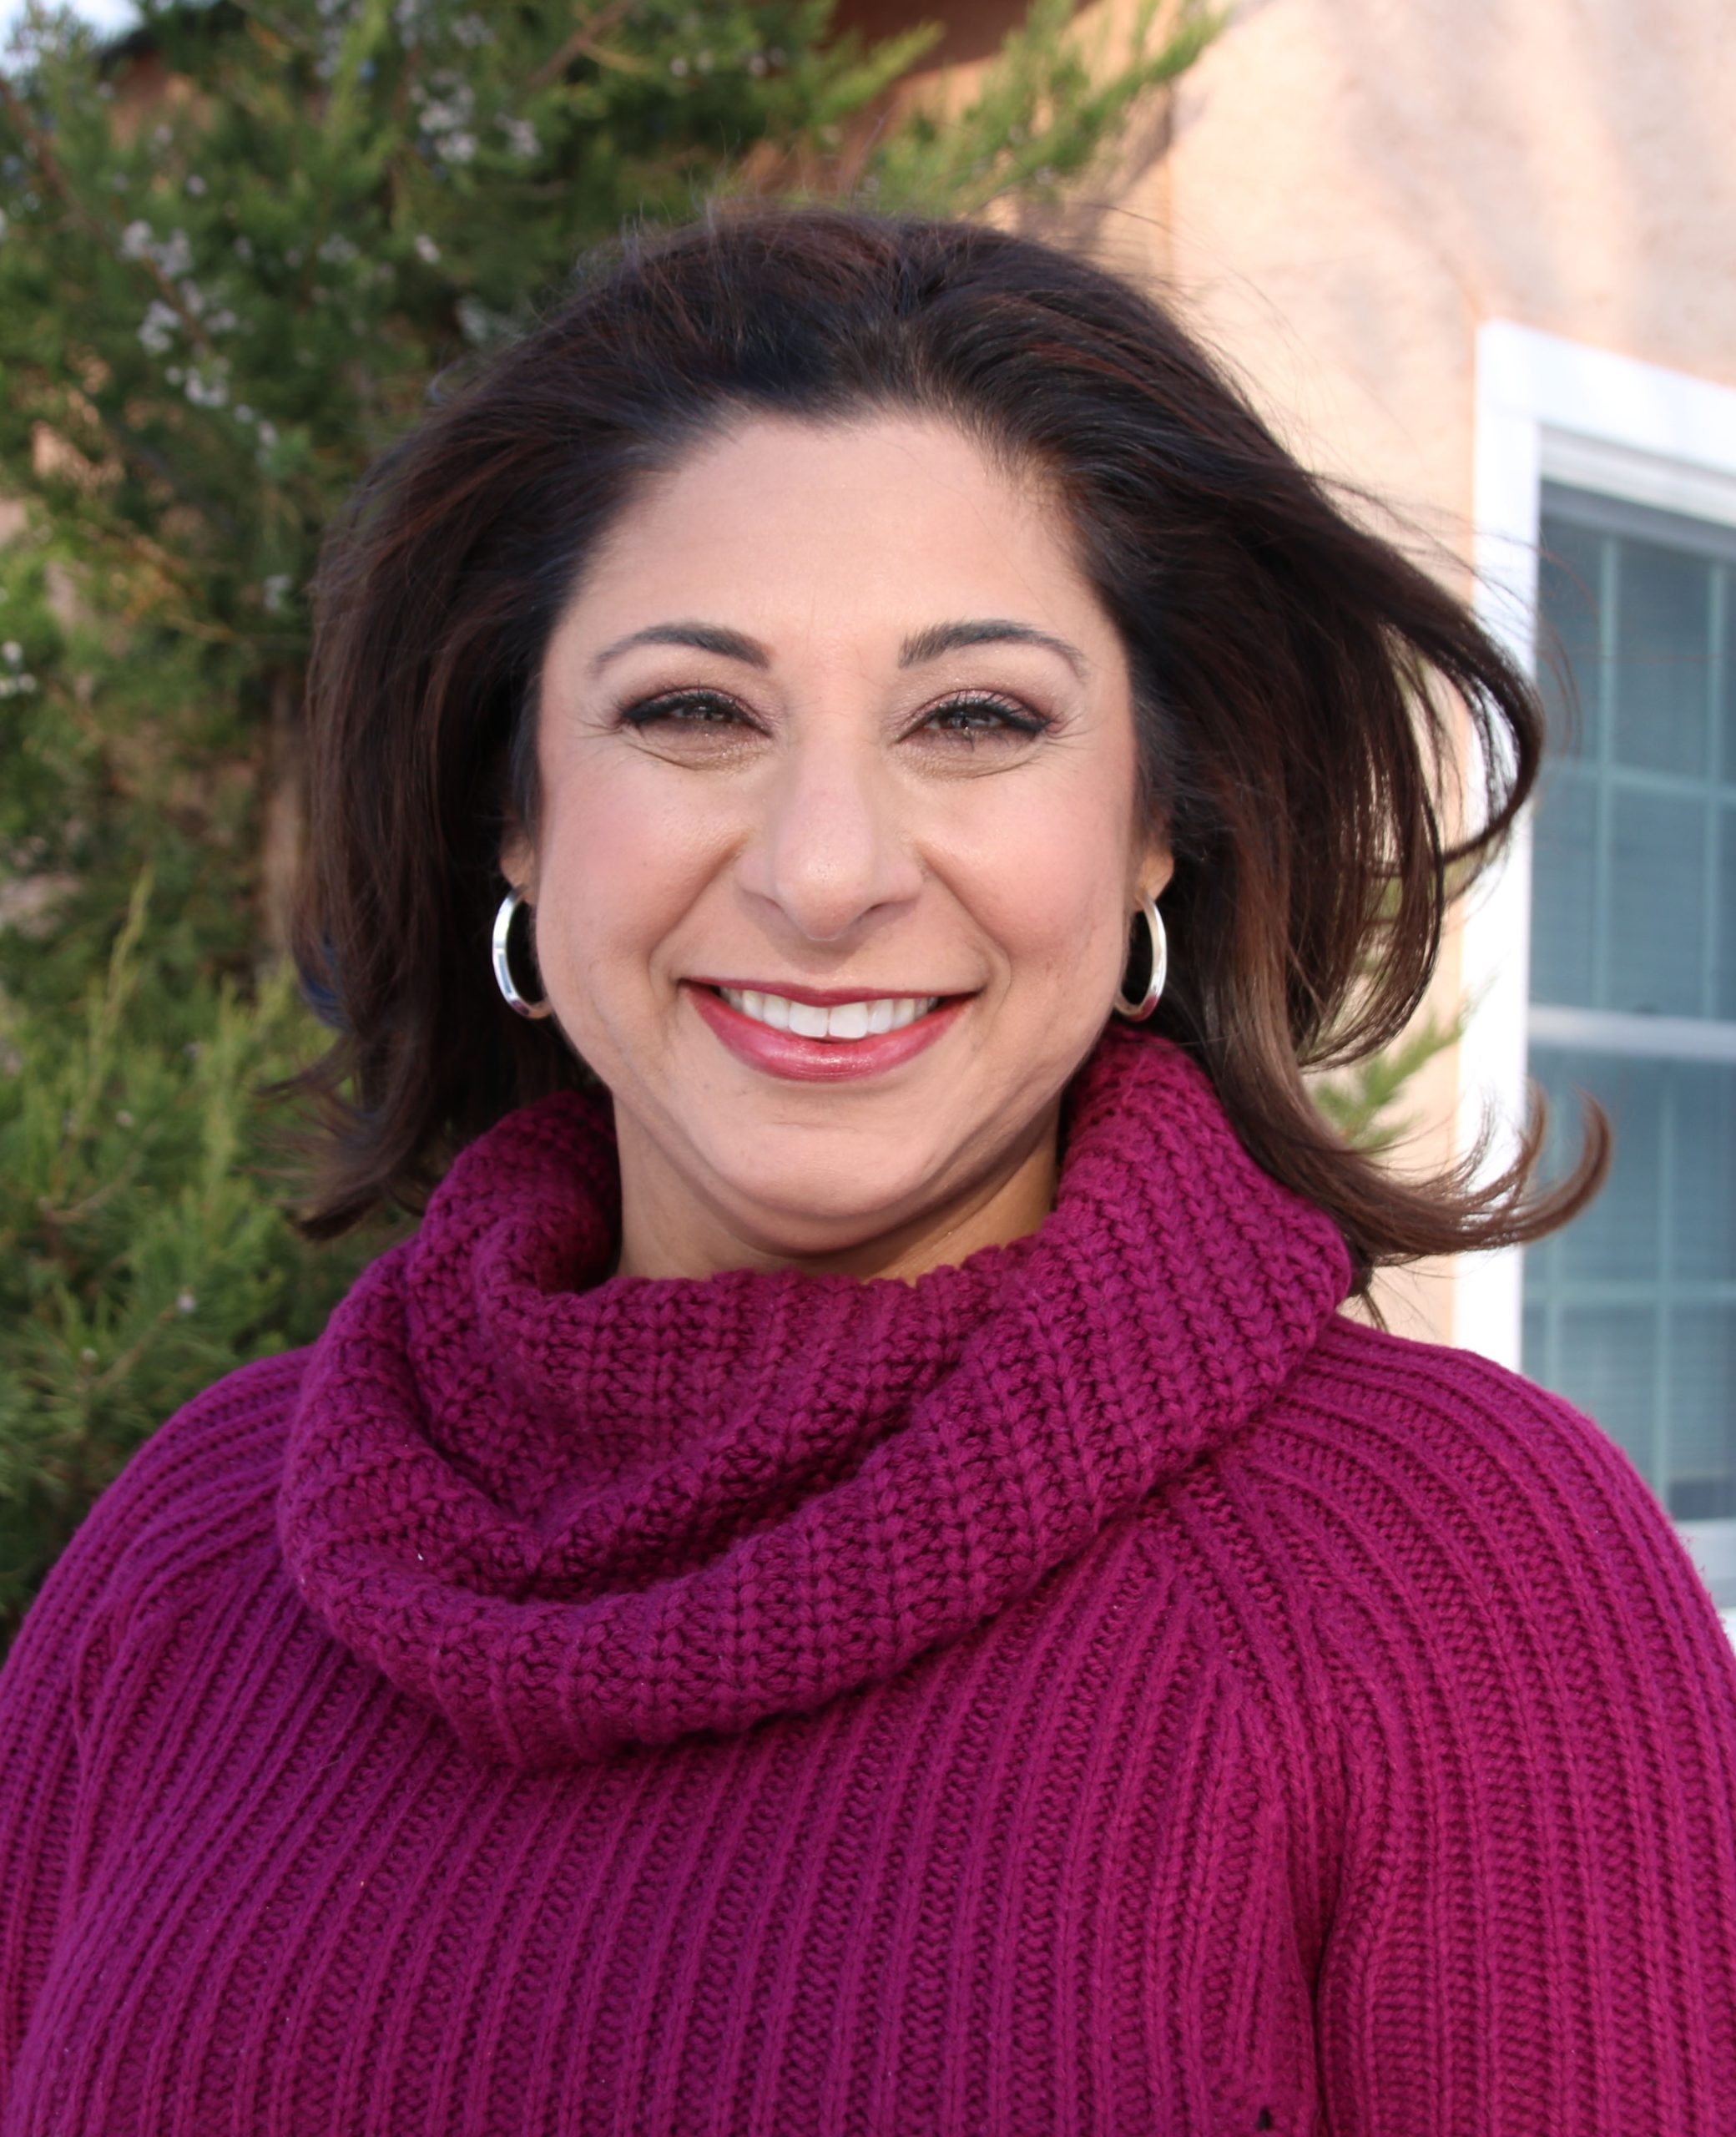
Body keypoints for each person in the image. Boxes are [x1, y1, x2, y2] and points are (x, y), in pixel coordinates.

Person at [3, 203, 1733, 2137]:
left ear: (1154, 822)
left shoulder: (1446, 1583)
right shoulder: (198, 1548)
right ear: (517, 812)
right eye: (691, 711)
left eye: (974, 718)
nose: (824, 871)